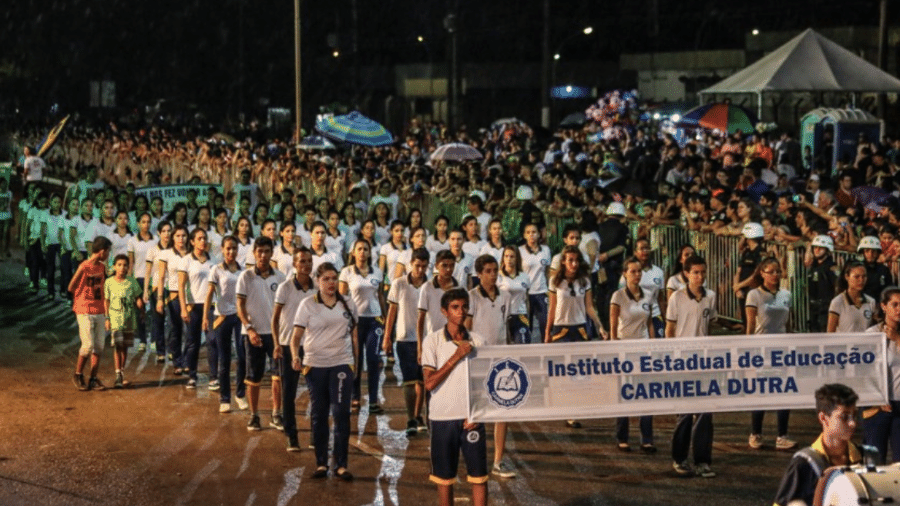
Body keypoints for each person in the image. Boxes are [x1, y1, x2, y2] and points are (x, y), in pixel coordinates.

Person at [290, 262, 359, 481]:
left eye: (334, 278)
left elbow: (355, 337)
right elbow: (296, 337)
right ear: (318, 281)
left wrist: (356, 364)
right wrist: (295, 355)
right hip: (315, 365)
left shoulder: (348, 303)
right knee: (319, 414)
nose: (331, 283)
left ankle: (341, 464)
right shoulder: (307, 304)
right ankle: (321, 463)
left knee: (341, 413)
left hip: (341, 363)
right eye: (326, 279)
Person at [421, 288, 488, 506]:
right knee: (444, 479)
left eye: (464, 307)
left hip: (472, 420)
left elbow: (486, 384)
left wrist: (479, 414)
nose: (461, 312)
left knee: (479, 478)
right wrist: (455, 357)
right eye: (455, 307)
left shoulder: (479, 341)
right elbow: (429, 383)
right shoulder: (432, 341)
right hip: (442, 419)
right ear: (444, 311)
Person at [465, 254, 516, 479]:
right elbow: (466, 330)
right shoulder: (471, 297)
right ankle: (472, 457)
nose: (493, 275)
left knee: (502, 407)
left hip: (500, 359)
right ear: (479, 274)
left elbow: (506, 326)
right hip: (478, 360)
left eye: (495, 270)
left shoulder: (505, 296)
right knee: (474, 411)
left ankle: (498, 460)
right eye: (488, 271)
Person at [666, 254, 717, 478]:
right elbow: (670, 329)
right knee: (685, 413)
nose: (700, 277)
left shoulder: (710, 297)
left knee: (705, 413)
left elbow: (710, 325)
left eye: (703, 272)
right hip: (683, 361)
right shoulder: (676, 298)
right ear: (686, 274)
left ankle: (703, 460)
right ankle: (679, 457)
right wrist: (671, 358)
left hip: (704, 361)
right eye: (695, 272)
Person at [772, 384, 861, 506]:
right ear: (823, 418)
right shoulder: (803, 465)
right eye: (844, 417)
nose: (852, 423)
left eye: (854, 415)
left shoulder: (866, 457)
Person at [546, 245, 604, 429]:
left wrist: (599, 325)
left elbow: (589, 307)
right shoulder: (555, 281)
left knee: (579, 371)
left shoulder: (584, 281)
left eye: (576, 260)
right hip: (561, 329)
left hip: (579, 329)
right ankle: (564, 406)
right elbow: (552, 308)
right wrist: (547, 332)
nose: (573, 264)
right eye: (570, 260)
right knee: (562, 372)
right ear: (563, 261)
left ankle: (574, 411)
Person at [745, 257, 797, 451]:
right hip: (761, 348)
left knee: (784, 390)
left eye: (777, 271)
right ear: (762, 273)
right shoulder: (754, 295)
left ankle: (782, 435)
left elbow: (787, 322)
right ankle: (755, 432)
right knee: (762, 391)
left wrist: (791, 343)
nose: (775, 275)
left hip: (782, 348)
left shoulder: (786, 294)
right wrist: (748, 349)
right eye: (771, 271)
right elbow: (750, 323)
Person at [236, 236, 286, 431]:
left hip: (275, 335)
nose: (263, 256)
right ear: (254, 253)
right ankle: (254, 415)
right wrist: (249, 328)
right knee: (253, 377)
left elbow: (285, 307)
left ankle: (276, 414)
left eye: (267, 251)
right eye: (259, 252)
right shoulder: (245, 276)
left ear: (272, 253)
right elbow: (239, 306)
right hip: (253, 334)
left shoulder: (281, 278)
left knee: (277, 376)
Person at [610, 256, 656, 453]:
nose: (637, 275)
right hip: (624, 349)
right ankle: (622, 436)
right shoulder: (618, 296)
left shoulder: (648, 295)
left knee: (646, 393)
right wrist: (614, 346)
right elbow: (613, 324)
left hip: (643, 348)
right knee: (625, 392)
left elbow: (650, 323)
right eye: (633, 271)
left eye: (639, 271)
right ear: (625, 274)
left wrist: (654, 346)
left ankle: (647, 437)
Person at [272, 247, 316, 451]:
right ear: (294, 264)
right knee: (288, 393)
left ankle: (317, 435)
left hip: (313, 347)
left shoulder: (318, 288)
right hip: (288, 346)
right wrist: (276, 344)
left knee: (317, 393)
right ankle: (292, 435)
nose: (306, 265)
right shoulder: (285, 288)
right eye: (302, 261)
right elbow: (274, 319)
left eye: (309, 261)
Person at [384, 247, 430, 436]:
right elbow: (392, 311)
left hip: (427, 339)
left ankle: (418, 415)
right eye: (417, 266)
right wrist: (387, 337)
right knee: (410, 382)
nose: (420, 270)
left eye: (424, 266)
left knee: (424, 382)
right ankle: (411, 417)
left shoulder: (431, 285)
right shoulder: (399, 284)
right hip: (405, 338)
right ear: (411, 263)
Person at [339, 239, 386, 413]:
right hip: (355, 321)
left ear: (369, 252)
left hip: (375, 320)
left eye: (366, 249)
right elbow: (342, 298)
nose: (362, 252)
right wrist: (344, 321)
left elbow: (380, 296)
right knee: (356, 360)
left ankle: (373, 399)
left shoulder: (378, 272)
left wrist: (385, 318)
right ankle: (355, 397)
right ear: (353, 253)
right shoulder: (347, 272)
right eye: (359, 249)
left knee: (374, 360)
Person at [204, 235, 248, 413]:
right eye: (228, 248)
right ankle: (225, 398)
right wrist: (205, 318)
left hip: (239, 317)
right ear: (222, 249)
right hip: (221, 317)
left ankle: (240, 394)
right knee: (224, 359)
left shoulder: (243, 271)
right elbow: (209, 294)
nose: (231, 252)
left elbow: (247, 295)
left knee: (242, 356)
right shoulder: (216, 269)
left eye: (234, 249)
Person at [863, 286, 900, 464]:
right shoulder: (871, 335)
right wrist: (875, 399)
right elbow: (863, 372)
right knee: (874, 460)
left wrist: (897, 340)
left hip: (899, 404)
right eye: (895, 304)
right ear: (884, 306)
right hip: (878, 405)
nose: (899, 309)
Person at [69, 236, 112, 391]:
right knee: (87, 346)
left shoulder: (101, 268)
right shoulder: (84, 267)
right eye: (108, 251)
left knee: (99, 347)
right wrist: (83, 297)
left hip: (99, 309)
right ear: (102, 252)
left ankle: (93, 378)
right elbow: (71, 286)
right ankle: (78, 374)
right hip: (84, 309)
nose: (108, 255)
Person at [178, 228, 214, 389]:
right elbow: (181, 286)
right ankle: (192, 375)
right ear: (192, 242)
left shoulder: (213, 260)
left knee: (212, 341)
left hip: (211, 306)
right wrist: (183, 308)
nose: (203, 241)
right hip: (193, 306)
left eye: (204, 238)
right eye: (199, 238)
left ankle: (214, 377)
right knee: (193, 342)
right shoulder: (186, 260)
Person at [104, 254, 143, 389]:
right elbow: (106, 301)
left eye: (125, 265)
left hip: (129, 320)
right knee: (117, 346)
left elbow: (138, 297)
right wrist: (107, 318)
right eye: (119, 265)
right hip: (115, 320)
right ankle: (117, 374)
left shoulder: (132, 282)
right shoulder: (109, 282)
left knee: (125, 347)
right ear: (114, 267)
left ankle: (121, 371)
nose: (122, 268)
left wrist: (141, 307)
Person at [157, 224, 190, 373]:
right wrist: (159, 299)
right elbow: (161, 276)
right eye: (177, 236)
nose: (181, 239)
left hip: (191, 297)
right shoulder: (166, 254)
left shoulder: (192, 254)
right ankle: (177, 362)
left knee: (191, 331)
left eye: (183, 235)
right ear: (172, 237)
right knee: (174, 330)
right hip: (173, 296)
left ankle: (189, 361)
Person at [417, 250, 461, 360]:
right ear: (436, 266)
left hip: (454, 342)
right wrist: (419, 347)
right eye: (444, 265)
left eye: (451, 266)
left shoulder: (459, 288)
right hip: (433, 342)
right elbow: (420, 319)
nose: (448, 269)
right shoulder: (427, 287)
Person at [145, 221, 172, 363]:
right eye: (164, 231)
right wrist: (145, 291)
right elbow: (148, 272)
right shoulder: (152, 250)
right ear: (159, 233)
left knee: (173, 321)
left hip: (173, 289)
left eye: (169, 231)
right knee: (158, 320)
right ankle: (161, 351)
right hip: (156, 288)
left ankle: (173, 349)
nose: (167, 234)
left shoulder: (176, 249)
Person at [128, 213, 155, 351]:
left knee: (156, 311)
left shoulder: (156, 239)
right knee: (140, 311)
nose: (146, 224)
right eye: (143, 222)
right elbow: (131, 263)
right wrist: (129, 281)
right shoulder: (132, 240)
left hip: (153, 279)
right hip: (138, 278)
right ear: (138, 223)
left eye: (148, 222)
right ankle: (143, 340)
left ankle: (155, 339)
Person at [520, 223, 551, 343]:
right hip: (526, 293)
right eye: (528, 232)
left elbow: (548, 272)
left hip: (542, 291)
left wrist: (550, 289)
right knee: (527, 325)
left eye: (534, 232)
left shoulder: (546, 250)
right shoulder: (520, 251)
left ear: (539, 234)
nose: (531, 235)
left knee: (545, 324)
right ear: (524, 235)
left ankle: (546, 350)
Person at [827, 261, 876, 333]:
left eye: (864, 276)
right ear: (847, 276)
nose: (861, 280)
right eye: (857, 277)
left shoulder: (870, 301)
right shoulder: (838, 302)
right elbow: (830, 332)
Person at [497, 245, 531, 344]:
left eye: (512, 256)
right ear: (503, 258)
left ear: (517, 259)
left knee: (523, 345)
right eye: (506, 256)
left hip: (521, 315)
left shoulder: (524, 277)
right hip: (504, 316)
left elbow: (527, 299)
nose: (509, 259)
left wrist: (527, 315)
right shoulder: (498, 276)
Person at [806, 235, 838, 332]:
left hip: (826, 308)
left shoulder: (831, 267)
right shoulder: (814, 265)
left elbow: (837, 287)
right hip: (814, 308)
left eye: (821, 248)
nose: (817, 250)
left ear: (828, 250)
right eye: (815, 247)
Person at [40, 193, 66, 302]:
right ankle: (51, 291)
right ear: (50, 203)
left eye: (59, 202)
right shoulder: (45, 213)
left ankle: (63, 290)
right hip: (49, 243)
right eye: (54, 202)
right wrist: (42, 244)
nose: (57, 204)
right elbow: (42, 231)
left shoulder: (65, 214)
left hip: (61, 244)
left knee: (64, 267)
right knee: (50, 268)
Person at [858, 236, 892, 302]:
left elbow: (889, 289)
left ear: (878, 253)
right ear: (863, 253)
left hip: (879, 304)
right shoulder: (857, 269)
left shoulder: (884, 269)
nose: (870, 254)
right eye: (867, 251)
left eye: (873, 251)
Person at [0, 177, 11, 258]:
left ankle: (4, 252)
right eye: (2, 183)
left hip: (7, 215)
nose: (4, 185)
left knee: (5, 233)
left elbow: (10, 205)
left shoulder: (9, 193)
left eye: (5, 183)